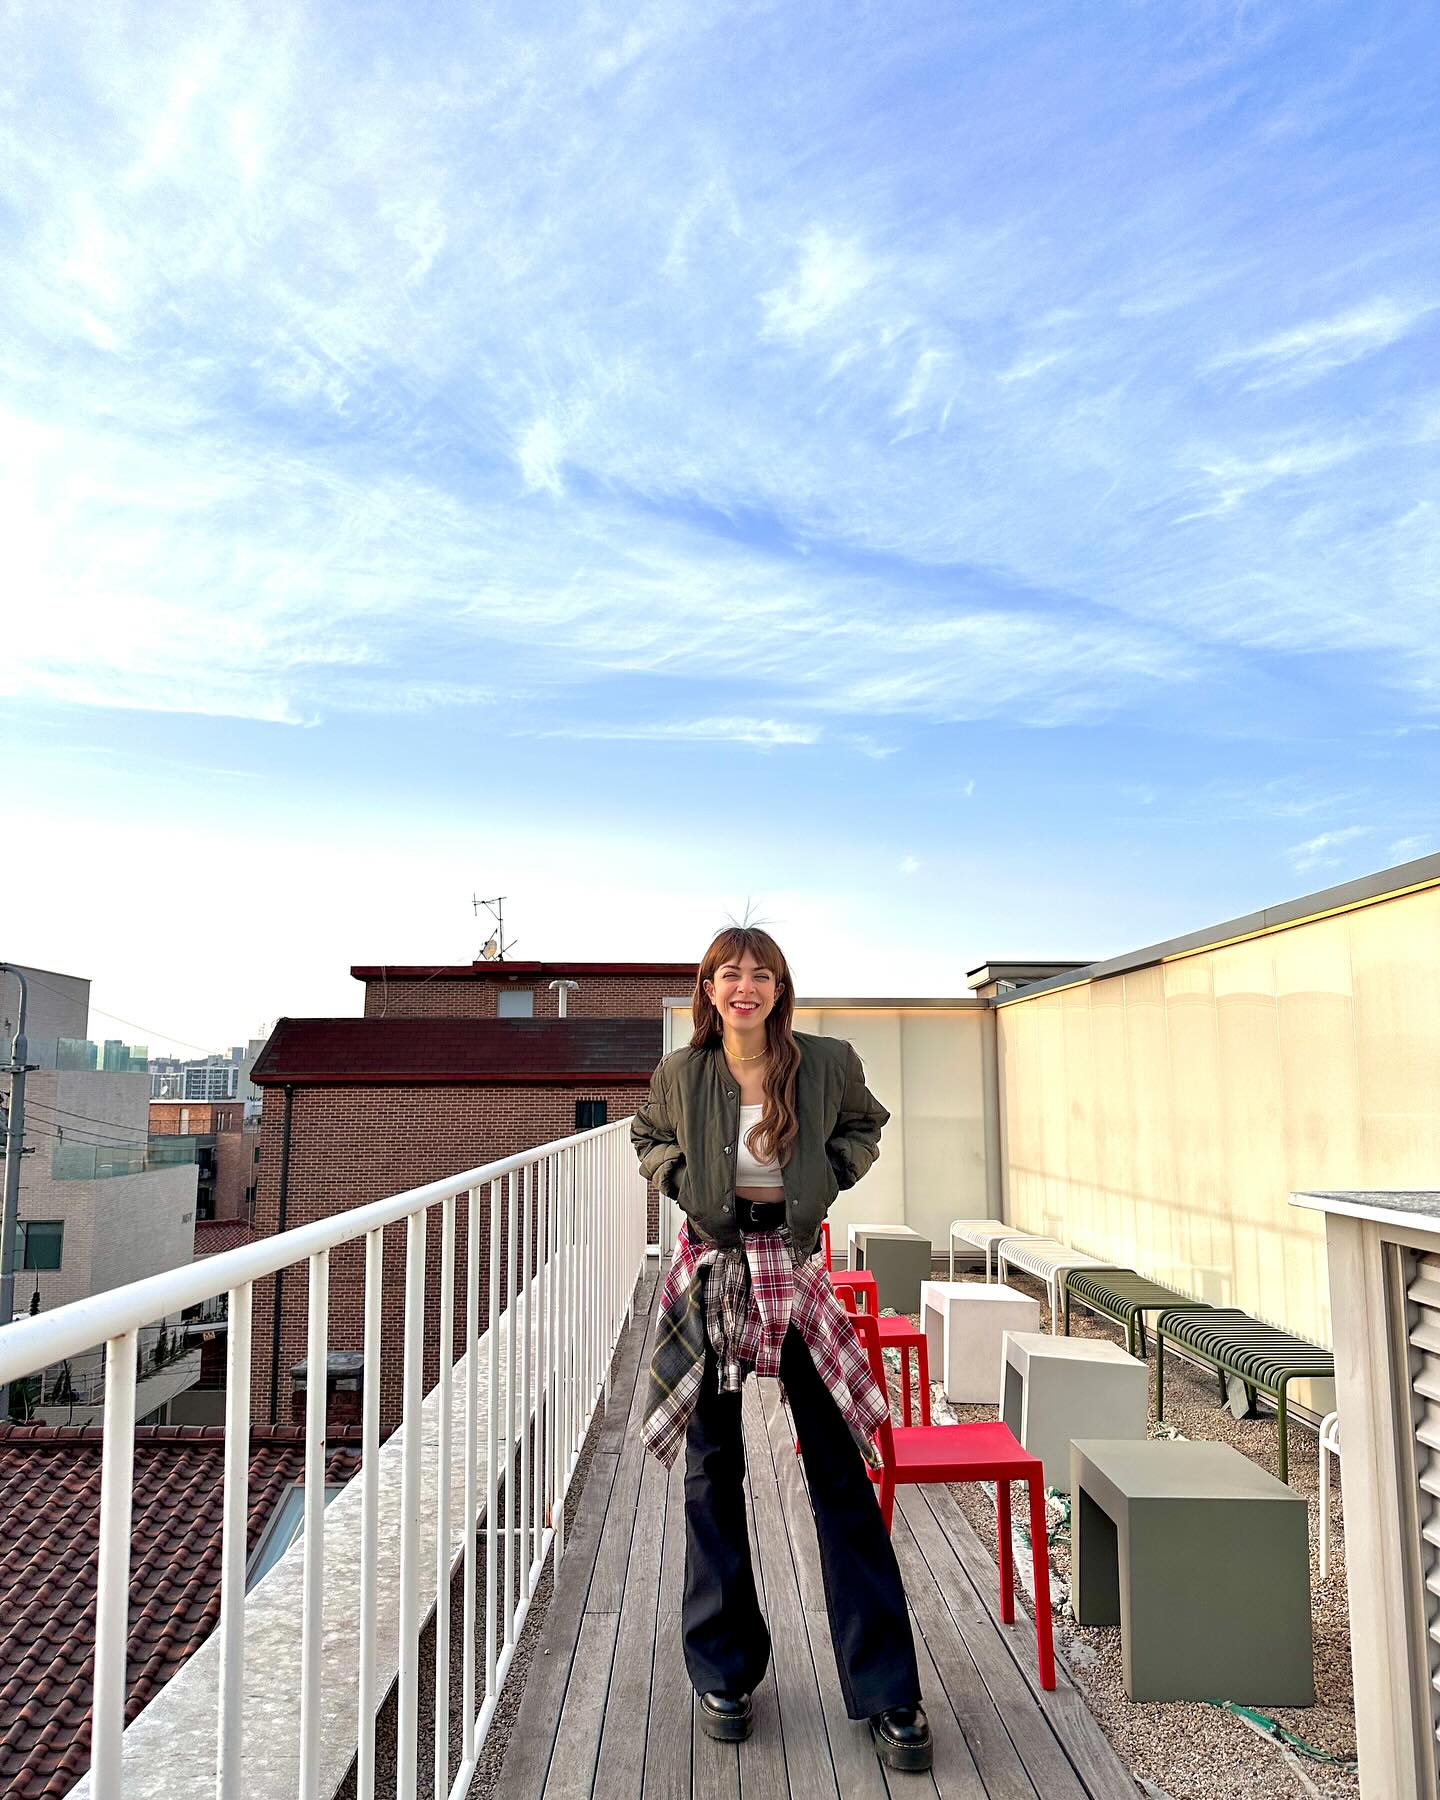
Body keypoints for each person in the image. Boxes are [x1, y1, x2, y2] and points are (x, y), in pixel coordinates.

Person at [632, 925, 932, 1773]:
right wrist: (680, 1180)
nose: (745, 986)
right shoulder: (682, 1072)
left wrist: (827, 1175)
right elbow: (647, 1135)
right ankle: (723, 1673)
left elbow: (866, 1125)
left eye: (760, 974)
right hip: (714, 1265)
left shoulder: (825, 1062)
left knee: (838, 1469)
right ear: (709, 988)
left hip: (793, 1265)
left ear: (779, 988)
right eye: (729, 973)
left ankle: (888, 1688)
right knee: (711, 1469)